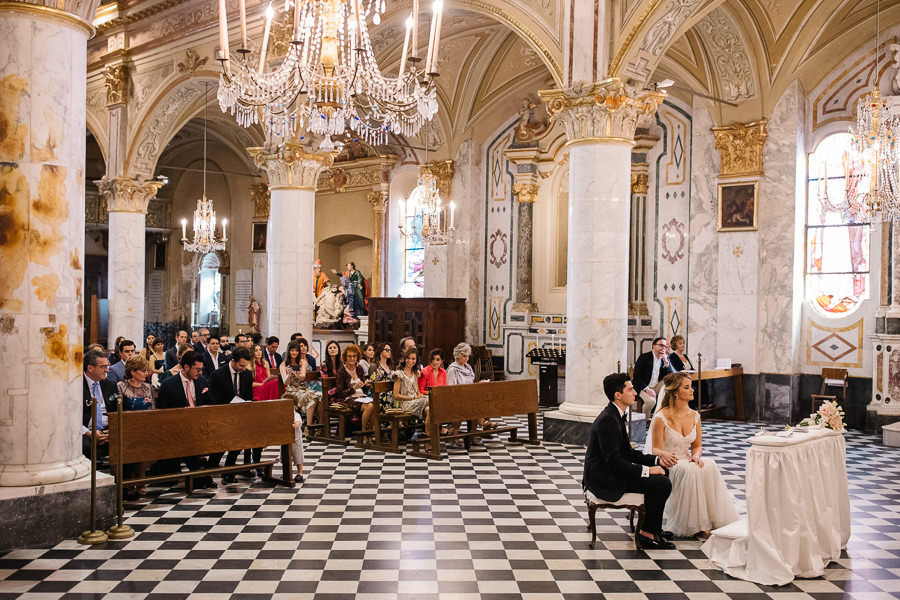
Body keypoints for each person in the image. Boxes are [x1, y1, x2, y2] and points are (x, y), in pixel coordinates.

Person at [582, 372, 676, 550]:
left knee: (663, 471)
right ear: (618, 395)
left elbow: (628, 452)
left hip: (610, 471)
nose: (635, 393)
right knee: (661, 483)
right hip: (604, 478)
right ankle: (647, 535)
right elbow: (614, 463)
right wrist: (648, 471)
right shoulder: (608, 420)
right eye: (631, 389)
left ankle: (652, 527)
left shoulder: (615, 415)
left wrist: (657, 460)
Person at [647, 373, 738, 538]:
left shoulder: (695, 416)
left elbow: (697, 446)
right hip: (669, 461)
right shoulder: (661, 417)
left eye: (691, 386)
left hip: (687, 458)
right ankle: (695, 525)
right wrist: (665, 454)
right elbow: (655, 449)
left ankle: (712, 520)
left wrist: (696, 456)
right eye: (686, 387)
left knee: (709, 464)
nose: (692, 390)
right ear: (675, 392)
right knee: (690, 471)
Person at [155, 350, 215, 488]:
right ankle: (199, 474)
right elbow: (162, 413)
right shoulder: (169, 385)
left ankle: (203, 472)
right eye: (197, 369)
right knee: (187, 439)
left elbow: (212, 403)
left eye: (201, 369)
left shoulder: (202, 381)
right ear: (186, 367)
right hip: (177, 428)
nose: (200, 373)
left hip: (200, 425)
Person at [208, 346, 255, 483]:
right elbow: (212, 398)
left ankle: (229, 469)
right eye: (241, 365)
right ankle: (210, 469)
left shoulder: (246, 374)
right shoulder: (218, 374)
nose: (243, 368)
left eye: (245, 365)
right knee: (222, 443)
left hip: (240, 416)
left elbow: (248, 396)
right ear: (233, 361)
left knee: (240, 440)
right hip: (222, 416)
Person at [116, 355, 154, 498]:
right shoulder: (121, 387)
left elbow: (153, 410)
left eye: (147, 371)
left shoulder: (148, 387)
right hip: (128, 428)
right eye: (143, 371)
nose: (146, 374)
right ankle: (129, 484)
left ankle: (140, 483)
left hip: (146, 428)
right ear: (132, 371)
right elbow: (118, 409)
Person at [333, 345, 376, 440]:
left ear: (357, 357)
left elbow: (363, 389)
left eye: (354, 356)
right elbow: (339, 392)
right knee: (370, 406)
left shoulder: (359, 368)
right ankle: (364, 434)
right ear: (345, 357)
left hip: (361, 397)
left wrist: (366, 385)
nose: (352, 358)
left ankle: (367, 433)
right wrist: (353, 388)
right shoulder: (341, 371)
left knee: (374, 405)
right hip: (348, 398)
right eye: (349, 356)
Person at [392, 347, 431, 448]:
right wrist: (413, 397)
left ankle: (428, 439)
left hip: (416, 402)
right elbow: (396, 396)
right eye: (408, 358)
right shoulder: (399, 374)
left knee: (430, 410)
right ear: (404, 359)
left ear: (416, 360)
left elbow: (418, 392)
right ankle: (444, 425)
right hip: (404, 404)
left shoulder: (415, 373)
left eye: (413, 359)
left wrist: (420, 395)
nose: (410, 361)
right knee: (433, 400)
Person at [82, 349, 116, 459]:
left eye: (108, 366)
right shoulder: (76, 385)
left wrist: (112, 431)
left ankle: (124, 475)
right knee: (84, 447)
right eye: (103, 367)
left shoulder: (110, 385)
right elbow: (68, 417)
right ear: (90, 368)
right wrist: (89, 433)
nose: (107, 370)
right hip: (85, 431)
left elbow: (116, 411)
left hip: (107, 430)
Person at [281, 340, 322, 430]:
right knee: (311, 397)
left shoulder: (302, 361)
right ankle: (309, 426)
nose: (294, 353)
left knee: (320, 395)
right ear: (288, 351)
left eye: (296, 350)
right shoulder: (283, 364)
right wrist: (289, 375)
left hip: (304, 388)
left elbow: (303, 377)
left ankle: (321, 425)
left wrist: (297, 374)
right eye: (292, 350)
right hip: (292, 391)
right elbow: (285, 382)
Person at [632, 337, 675, 418]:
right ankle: (645, 421)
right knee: (651, 402)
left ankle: (662, 418)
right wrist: (647, 389)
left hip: (657, 387)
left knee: (670, 387)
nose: (663, 348)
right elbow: (636, 377)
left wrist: (666, 362)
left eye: (665, 346)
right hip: (643, 387)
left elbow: (674, 375)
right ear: (653, 346)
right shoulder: (644, 357)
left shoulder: (664, 359)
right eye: (661, 345)